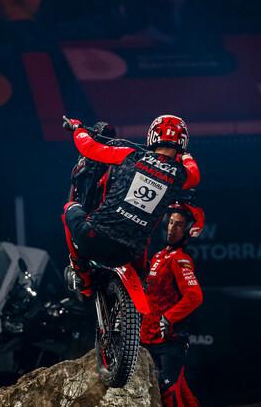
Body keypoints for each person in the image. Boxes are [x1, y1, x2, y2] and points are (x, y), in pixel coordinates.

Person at [62, 115, 200, 296]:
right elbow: (195, 174)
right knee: (144, 230)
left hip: (93, 240)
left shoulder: (132, 155)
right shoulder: (180, 175)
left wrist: (78, 128)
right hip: (127, 254)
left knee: (69, 207)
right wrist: (187, 157)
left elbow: (88, 148)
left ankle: (83, 277)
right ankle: (142, 277)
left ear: (152, 135)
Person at [141, 200, 204, 407]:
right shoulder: (159, 256)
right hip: (149, 338)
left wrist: (168, 318)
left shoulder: (180, 259)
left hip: (169, 340)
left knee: (168, 392)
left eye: (178, 225)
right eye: (170, 222)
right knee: (181, 391)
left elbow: (194, 296)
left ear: (186, 230)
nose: (172, 228)